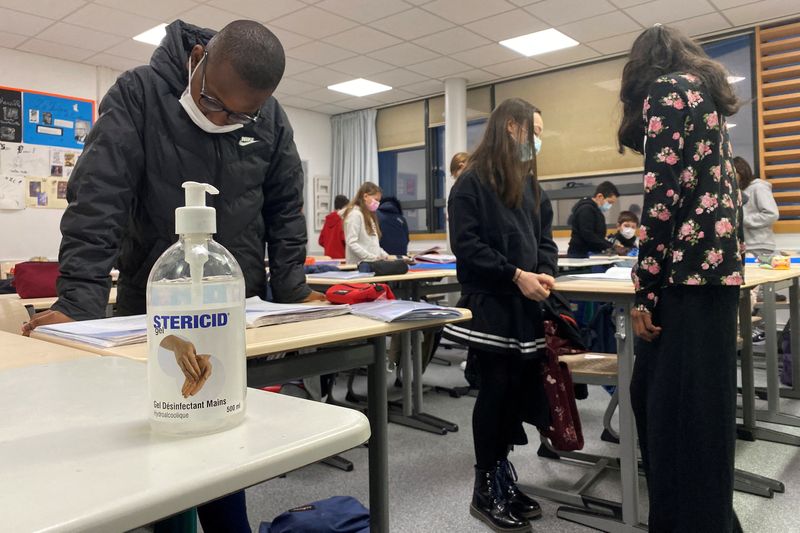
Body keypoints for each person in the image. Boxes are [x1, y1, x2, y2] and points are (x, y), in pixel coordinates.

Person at [23, 19, 324, 532]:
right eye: (213, 102)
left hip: (233, 310)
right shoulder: (139, 94)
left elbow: (285, 209)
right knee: (169, 439)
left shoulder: (269, 119)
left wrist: (293, 294)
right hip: (150, 307)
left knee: (225, 433)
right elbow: (99, 199)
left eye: (238, 115)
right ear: (199, 57)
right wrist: (79, 301)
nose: (220, 118)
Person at [618, 24, 744, 532]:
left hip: (683, 282)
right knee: (704, 418)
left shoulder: (666, 91)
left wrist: (644, 290)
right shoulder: (708, 102)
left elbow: (661, 199)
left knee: (670, 422)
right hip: (717, 279)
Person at [443, 98, 557, 532]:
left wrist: (543, 273)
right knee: (494, 392)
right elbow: (467, 246)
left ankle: (503, 477)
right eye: (536, 131)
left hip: (525, 303)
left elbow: (545, 239)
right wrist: (514, 274)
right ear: (512, 127)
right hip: (490, 303)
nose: (539, 140)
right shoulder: (471, 183)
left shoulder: (529, 184)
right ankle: (484, 486)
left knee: (514, 393)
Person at [734, 156, 779, 257]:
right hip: (745, 246)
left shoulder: (759, 187)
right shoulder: (738, 192)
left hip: (759, 246)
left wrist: (742, 220)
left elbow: (772, 214)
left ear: (741, 172)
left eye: (733, 173)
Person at [566, 181, 619, 257]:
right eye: (609, 202)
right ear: (600, 196)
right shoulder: (586, 209)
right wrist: (610, 246)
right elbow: (587, 234)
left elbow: (597, 236)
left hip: (590, 253)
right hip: (580, 254)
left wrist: (609, 245)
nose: (610, 206)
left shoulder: (596, 211)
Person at [342, 182, 391, 264]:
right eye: (376, 200)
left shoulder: (369, 215)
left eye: (379, 201)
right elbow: (352, 243)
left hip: (371, 263)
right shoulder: (355, 214)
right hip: (358, 266)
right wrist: (371, 257)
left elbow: (373, 245)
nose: (377, 203)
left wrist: (386, 256)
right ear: (365, 196)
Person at [318, 194, 349, 258]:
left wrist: (329, 247)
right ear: (345, 207)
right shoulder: (342, 220)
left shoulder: (327, 221)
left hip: (327, 259)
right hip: (341, 259)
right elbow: (347, 241)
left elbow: (321, 241)